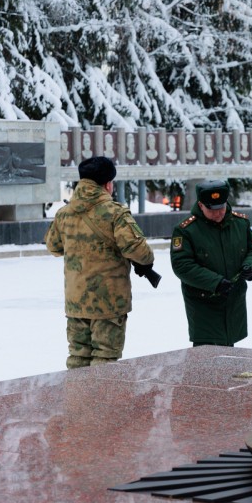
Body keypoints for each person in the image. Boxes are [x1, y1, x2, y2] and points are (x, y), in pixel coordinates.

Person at [45, 157, 155, 369]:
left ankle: (78, 401)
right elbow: (140, 252)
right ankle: (100, 402)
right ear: (107, 184)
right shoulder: (115, 213)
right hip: (108, 304)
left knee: (78, 359)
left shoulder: (64, 214)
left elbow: (54, 247)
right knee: (105, 361)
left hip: (76, 303)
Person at [170, 179, 252, 347]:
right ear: (200, 205)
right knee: (205, 357)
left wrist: (250, 266)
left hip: (233, 302)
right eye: (212, 209)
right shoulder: (186, 230)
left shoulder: (240, 224)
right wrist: (215, 282)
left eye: (222, 207)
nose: (218, 213)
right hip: (204, 305)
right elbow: (182, 266)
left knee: (230, 356)